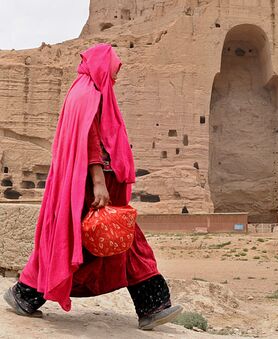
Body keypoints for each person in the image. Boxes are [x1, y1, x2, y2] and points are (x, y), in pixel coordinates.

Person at [3, 44, 182, 330]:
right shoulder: (89, 95)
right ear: (102, 66)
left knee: (81, 241)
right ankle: (151, 305)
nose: (116, 77)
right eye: (114, 70)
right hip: (90, 187)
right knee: (124, 239)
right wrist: (99, 183)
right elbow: (90, 140)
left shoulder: (84, 92)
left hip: (88, 185)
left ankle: (26, 294)